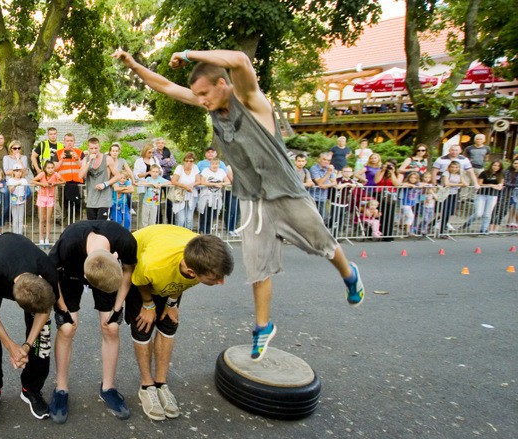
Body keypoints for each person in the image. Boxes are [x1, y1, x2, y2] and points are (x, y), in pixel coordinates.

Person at [113, 48, 364, 361]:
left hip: (286, 192)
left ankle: (349, 274)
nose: (201, 99)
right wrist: (133, 63)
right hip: (252, 200)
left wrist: (189, 54)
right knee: (258, 267)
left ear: (222, 84)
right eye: (198, 95)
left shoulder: (251, 100)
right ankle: (263, 326)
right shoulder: (209, 103)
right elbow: (166, 86)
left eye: (205, 93)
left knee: (323, 245)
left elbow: (241, 61)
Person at [125, 225, 233, 420]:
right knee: (144, 326)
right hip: (139, 269)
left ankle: (160, 384)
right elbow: (140, 280)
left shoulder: (202, 255)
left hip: (170, 262)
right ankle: (146, 386)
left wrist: (172, 302)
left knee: (169, 323)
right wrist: (148, 305)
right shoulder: (153, 265)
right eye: (216, 278)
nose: (221, 282)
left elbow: (181, 281)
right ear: (192, 271)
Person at [49, 219, 138, 423]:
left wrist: (117, 309)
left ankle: (108, 388)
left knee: (112, 327)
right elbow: (51, 275)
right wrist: (62, 309)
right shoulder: (68, 244)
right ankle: (61, 389)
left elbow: (128, 271)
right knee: (67, 328)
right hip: (69, 274)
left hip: (106, 272)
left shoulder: (125, 241)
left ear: (116, 256)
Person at [0, 233, 57, 423]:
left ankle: (31, 389)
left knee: (42, 333)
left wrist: (27, 346)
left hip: (23, 264)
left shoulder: (48, 269)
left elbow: (45, 309)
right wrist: (11, 346)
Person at [462, 160, 504, 234]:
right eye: (495, 165)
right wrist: (490, 185)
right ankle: (468, 223)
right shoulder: (484, 173)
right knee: (478, 213)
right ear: (491, 165)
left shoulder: (500, 174)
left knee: (487, 214)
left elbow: (501, 184)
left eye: (498, 166)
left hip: (493, 195)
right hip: (482, 194)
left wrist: (499, 186)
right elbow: (479, 184)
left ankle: (483, 229)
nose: (496, 167)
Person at [79, 137, 115, 221]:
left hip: (104, 199)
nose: (94, 150)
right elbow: (80, 176)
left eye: (96, 148)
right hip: (91, 200)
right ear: (88, 148)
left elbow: (118, 176)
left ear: (99, 147)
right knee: (91, 226)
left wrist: (105, 184)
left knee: (101, 226)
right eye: (91, 148)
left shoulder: (107, 159)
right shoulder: (86, 159)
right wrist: (89, 162)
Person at [31, 160, 65, 245]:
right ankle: (41, 238)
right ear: (45, 169)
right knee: (42, 219)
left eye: (52, 168)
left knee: (48, 219)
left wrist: (55, 183)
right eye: (48, 168)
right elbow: (32, 181)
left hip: (50, 198)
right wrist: (42, 184)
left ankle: (47, 238)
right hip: (42, 197)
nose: (50, 170)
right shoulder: (42, 174)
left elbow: (63, 181)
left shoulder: (55, 174)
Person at [55, 133, 84, 224]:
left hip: (77, 182)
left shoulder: (79, 152)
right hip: (63, 183)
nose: (69, 143)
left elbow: (84, 167)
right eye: (67, 141)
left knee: (78, 204)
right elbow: (54, 168)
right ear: (64, 142)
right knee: (64, 205)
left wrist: (77, 159)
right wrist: (61, 160)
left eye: (71, 141)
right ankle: (66, 224)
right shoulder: (58, 153)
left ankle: (78, 224)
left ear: (74, 142)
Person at [196, 158, 229, 234]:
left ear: (218, 165)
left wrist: (221, 184)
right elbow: (202, 181)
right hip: (206, 196)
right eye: (213, 164)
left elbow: (228, 181)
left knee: (213, 215)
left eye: (216, 164)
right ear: (210, 164)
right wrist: (214, 184)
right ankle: (202, 230)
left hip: (216, 197)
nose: (215, 165)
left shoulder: (221, 171)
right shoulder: (205, 171)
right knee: (204, 214)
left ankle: (208, 231)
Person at [437, 160, 467, 238]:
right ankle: (441, 230)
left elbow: (465, 183)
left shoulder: (459, 174)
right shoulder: (446, 173)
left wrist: (456, 184)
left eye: (456, 167)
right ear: (449, 167)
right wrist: (459, 184)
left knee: (451, 211)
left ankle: (437, 223)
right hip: (446, 194)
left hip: (454, 194)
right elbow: (447, 184)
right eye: (452, 167)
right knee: (445, 212)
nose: (454, 169)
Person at [308, 152, 337, 225]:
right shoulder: (314, 168)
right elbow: (319, 183)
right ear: (319, 159)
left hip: (323, 197)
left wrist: (326, 186)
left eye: (328, 160)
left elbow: (334, 182)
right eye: (324, 159)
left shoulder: (329, 169)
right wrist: (328, 173)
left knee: (323, 218)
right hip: (313, 197)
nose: (326, 162)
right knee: (313, 218)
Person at [7, 164, 30, 235]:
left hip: (21, 201)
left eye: (20, 171)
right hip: (14, 201)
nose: (18, 173)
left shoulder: (24, 180)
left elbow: (27, 191)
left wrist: (23, 197)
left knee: (20, 219)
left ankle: (20, 233)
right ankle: (15, 233)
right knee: (15, 219)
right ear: (13, 172)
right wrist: (15, 186)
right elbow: (10, 191)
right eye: (16, 171)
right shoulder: (10, 180)